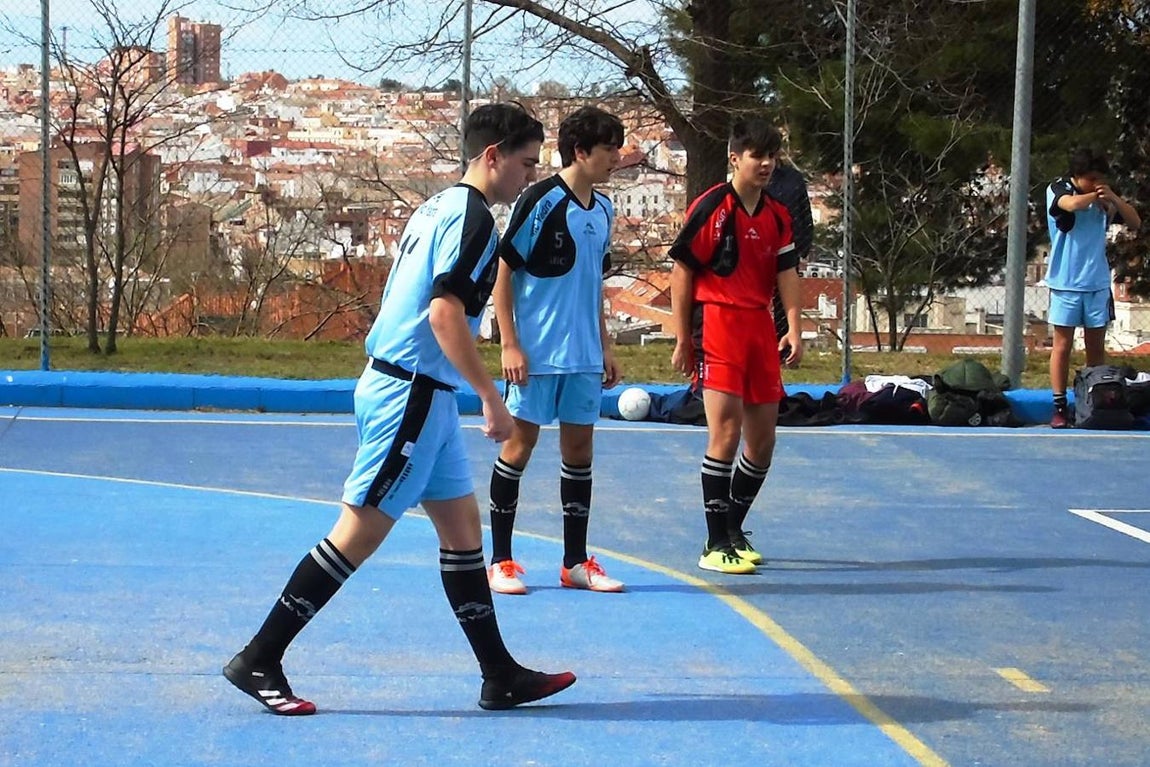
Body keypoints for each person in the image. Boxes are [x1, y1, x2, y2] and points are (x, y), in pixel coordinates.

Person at [222, 103, 576, 715]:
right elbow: (443, 315)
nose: (528, 177)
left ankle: (499, 674)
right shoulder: (472, 222)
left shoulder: (436, 205)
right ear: (493, 156)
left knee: (463, 533)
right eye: (524, 164)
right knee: (359, 531)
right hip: (410, 394)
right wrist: (491, 398)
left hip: (421, 393)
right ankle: (260, 656)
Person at [486, 106, 626, 595]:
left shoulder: (605, 210)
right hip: (538, 355)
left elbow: (594, 285)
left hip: (584, 355)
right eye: (609, 148)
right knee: (520, 447)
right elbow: (505, 270)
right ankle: (500, 559)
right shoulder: (540, 200)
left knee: (580, 452)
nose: (616, 157)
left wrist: (605, 345)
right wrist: (510, 343)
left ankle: (574, 563)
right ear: (581, 151)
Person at [668, 117, 803, 574]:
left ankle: (732, 530)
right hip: (719, 325)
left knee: (762, 439)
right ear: (734, 158)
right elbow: (682, 271)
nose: (766, 164)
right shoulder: (712, 207)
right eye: (756, 156)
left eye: (772, 156)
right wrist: (683, 335)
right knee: (724, 434)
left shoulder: (778, 214)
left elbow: (787, 271)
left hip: (759, 328)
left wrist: (795, 327)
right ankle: (713, 544)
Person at [1045, 148, 1141, 428]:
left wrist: (1113, 199)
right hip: (1066, 284)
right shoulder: (1060, 189)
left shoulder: (1104, 200)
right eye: (1091, 178)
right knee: (1061, 346)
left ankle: (1094, 402)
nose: (1097, 183)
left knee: (1095, 349)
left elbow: (1134, 221)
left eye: (1100, 178)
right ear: (1078, 176)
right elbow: (1070, 205)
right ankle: (1059, 406)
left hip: (1097, 284)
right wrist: (1091, 198)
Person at [765, 155, 814, 358]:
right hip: (759, 245)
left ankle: (784, 348)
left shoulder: (793, 179)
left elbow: (804, 212)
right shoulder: (754, 181)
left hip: (789, 245)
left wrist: (803, 244)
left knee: (785, 300)